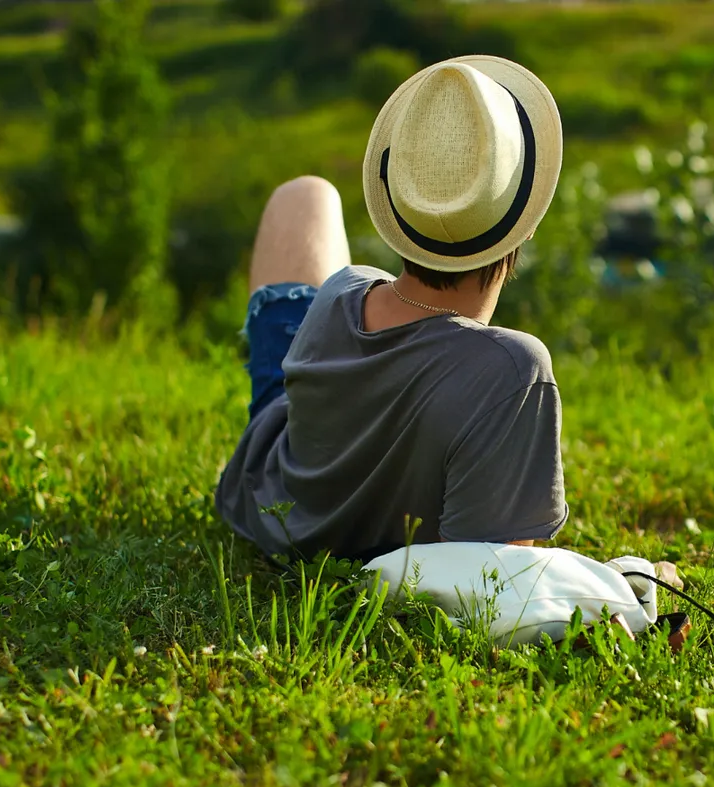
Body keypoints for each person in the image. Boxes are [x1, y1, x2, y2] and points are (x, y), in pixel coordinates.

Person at [215, 56, 568, 563]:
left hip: (272, 499)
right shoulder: (511, 371)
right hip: (326, 507)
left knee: (304, 195)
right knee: (307, 197)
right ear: (526, 223)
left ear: (398, 211)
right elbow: (494, 577)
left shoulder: (343, 293)